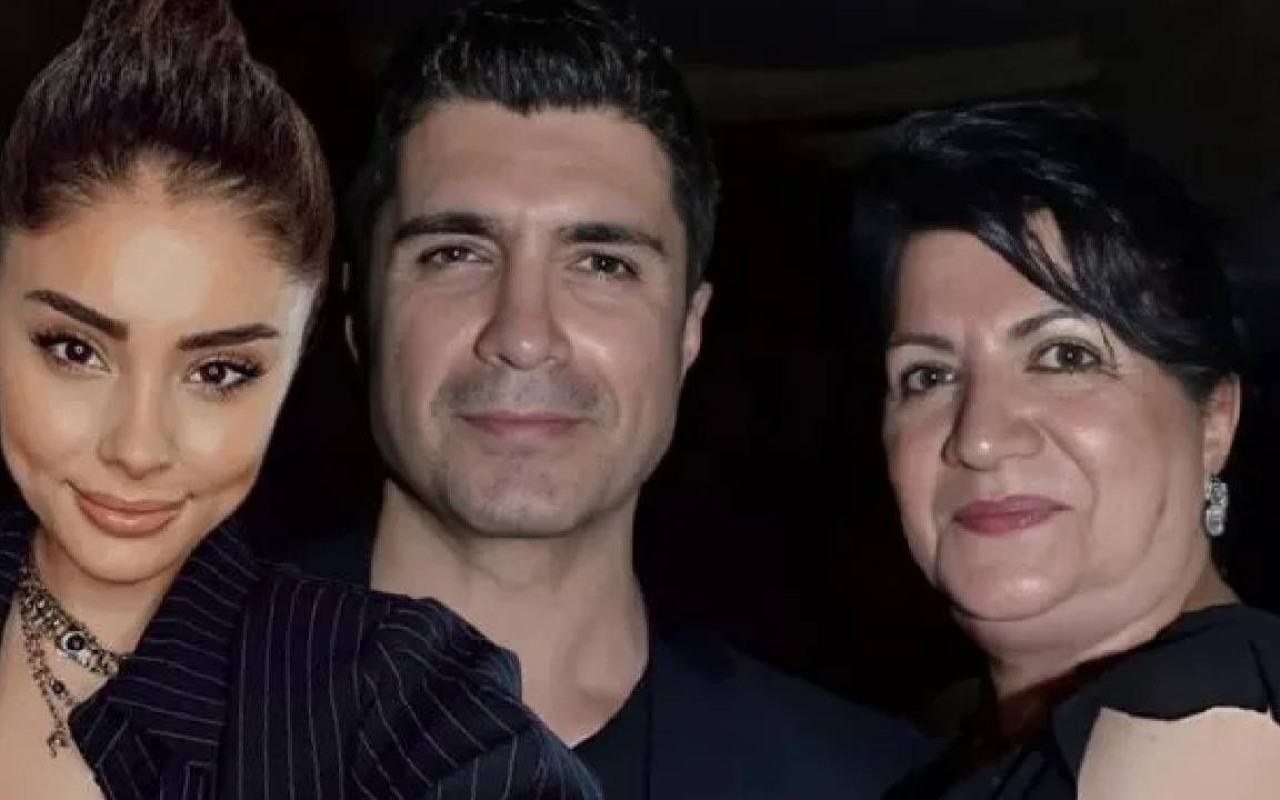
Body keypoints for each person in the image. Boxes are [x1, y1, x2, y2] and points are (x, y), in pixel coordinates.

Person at [276, 0, 930, 796]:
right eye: (455, 253)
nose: (524, 334)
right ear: (359, 316)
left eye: (602, 265)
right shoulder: (149, 725)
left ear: (688, 333)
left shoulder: (871, 784)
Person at [0, 0, 600, 797]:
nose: (138, 448)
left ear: (295, 361)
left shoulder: (397, 702)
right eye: (76, 351)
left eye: (218, 372)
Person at [852, 100, 1280, 799]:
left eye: (1065, 356)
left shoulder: (1209, 726)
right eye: (929, 376)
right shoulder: (971, 752)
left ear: (1213, 420)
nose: (980, 437)